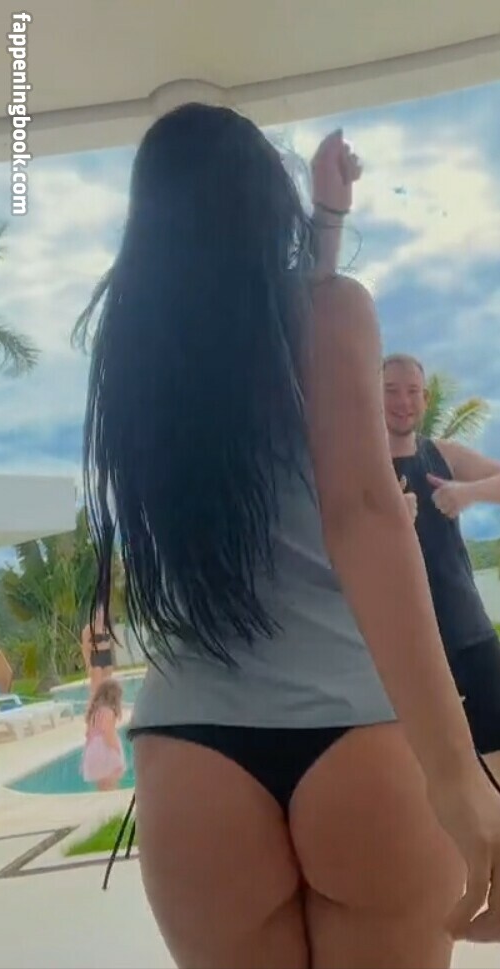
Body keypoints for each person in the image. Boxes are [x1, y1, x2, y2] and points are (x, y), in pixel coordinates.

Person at [75, 104, 500, 969]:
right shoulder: (330, 313)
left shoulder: (134, 355)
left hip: (192, 756)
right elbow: (361, 512)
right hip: (357, 733)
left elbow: (277, 332)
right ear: (269, 206)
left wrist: (329, 219)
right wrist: (459, 778)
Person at [384, 353, 500, 785]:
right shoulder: (362, 472)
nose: (403, 401)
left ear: (425, 399)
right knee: (426, 783)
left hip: (470, 637)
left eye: (412, 391)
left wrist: (468, 493)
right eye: (391, 390)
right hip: (403, 656)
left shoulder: (442, 455)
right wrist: (388, 520)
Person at [81, 678, 126, 791]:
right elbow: (108, 734)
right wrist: (117, 751)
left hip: (93, 750)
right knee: (112, 784)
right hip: (105, 750)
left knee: (101, 786)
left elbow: (88, 734)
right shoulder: (108, 712)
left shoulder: (93, 713)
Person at [81, 606, 114, 693]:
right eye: (98, 612)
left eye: (102, 612)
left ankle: (106, 700)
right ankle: (94, 701)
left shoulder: (107, 627)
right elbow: (85, 647)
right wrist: (87, 663)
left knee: (107, 685)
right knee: (96, 687)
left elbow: (110, 643)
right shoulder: (89, 628)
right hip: (96, 656)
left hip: (106, 656)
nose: (100, 614)